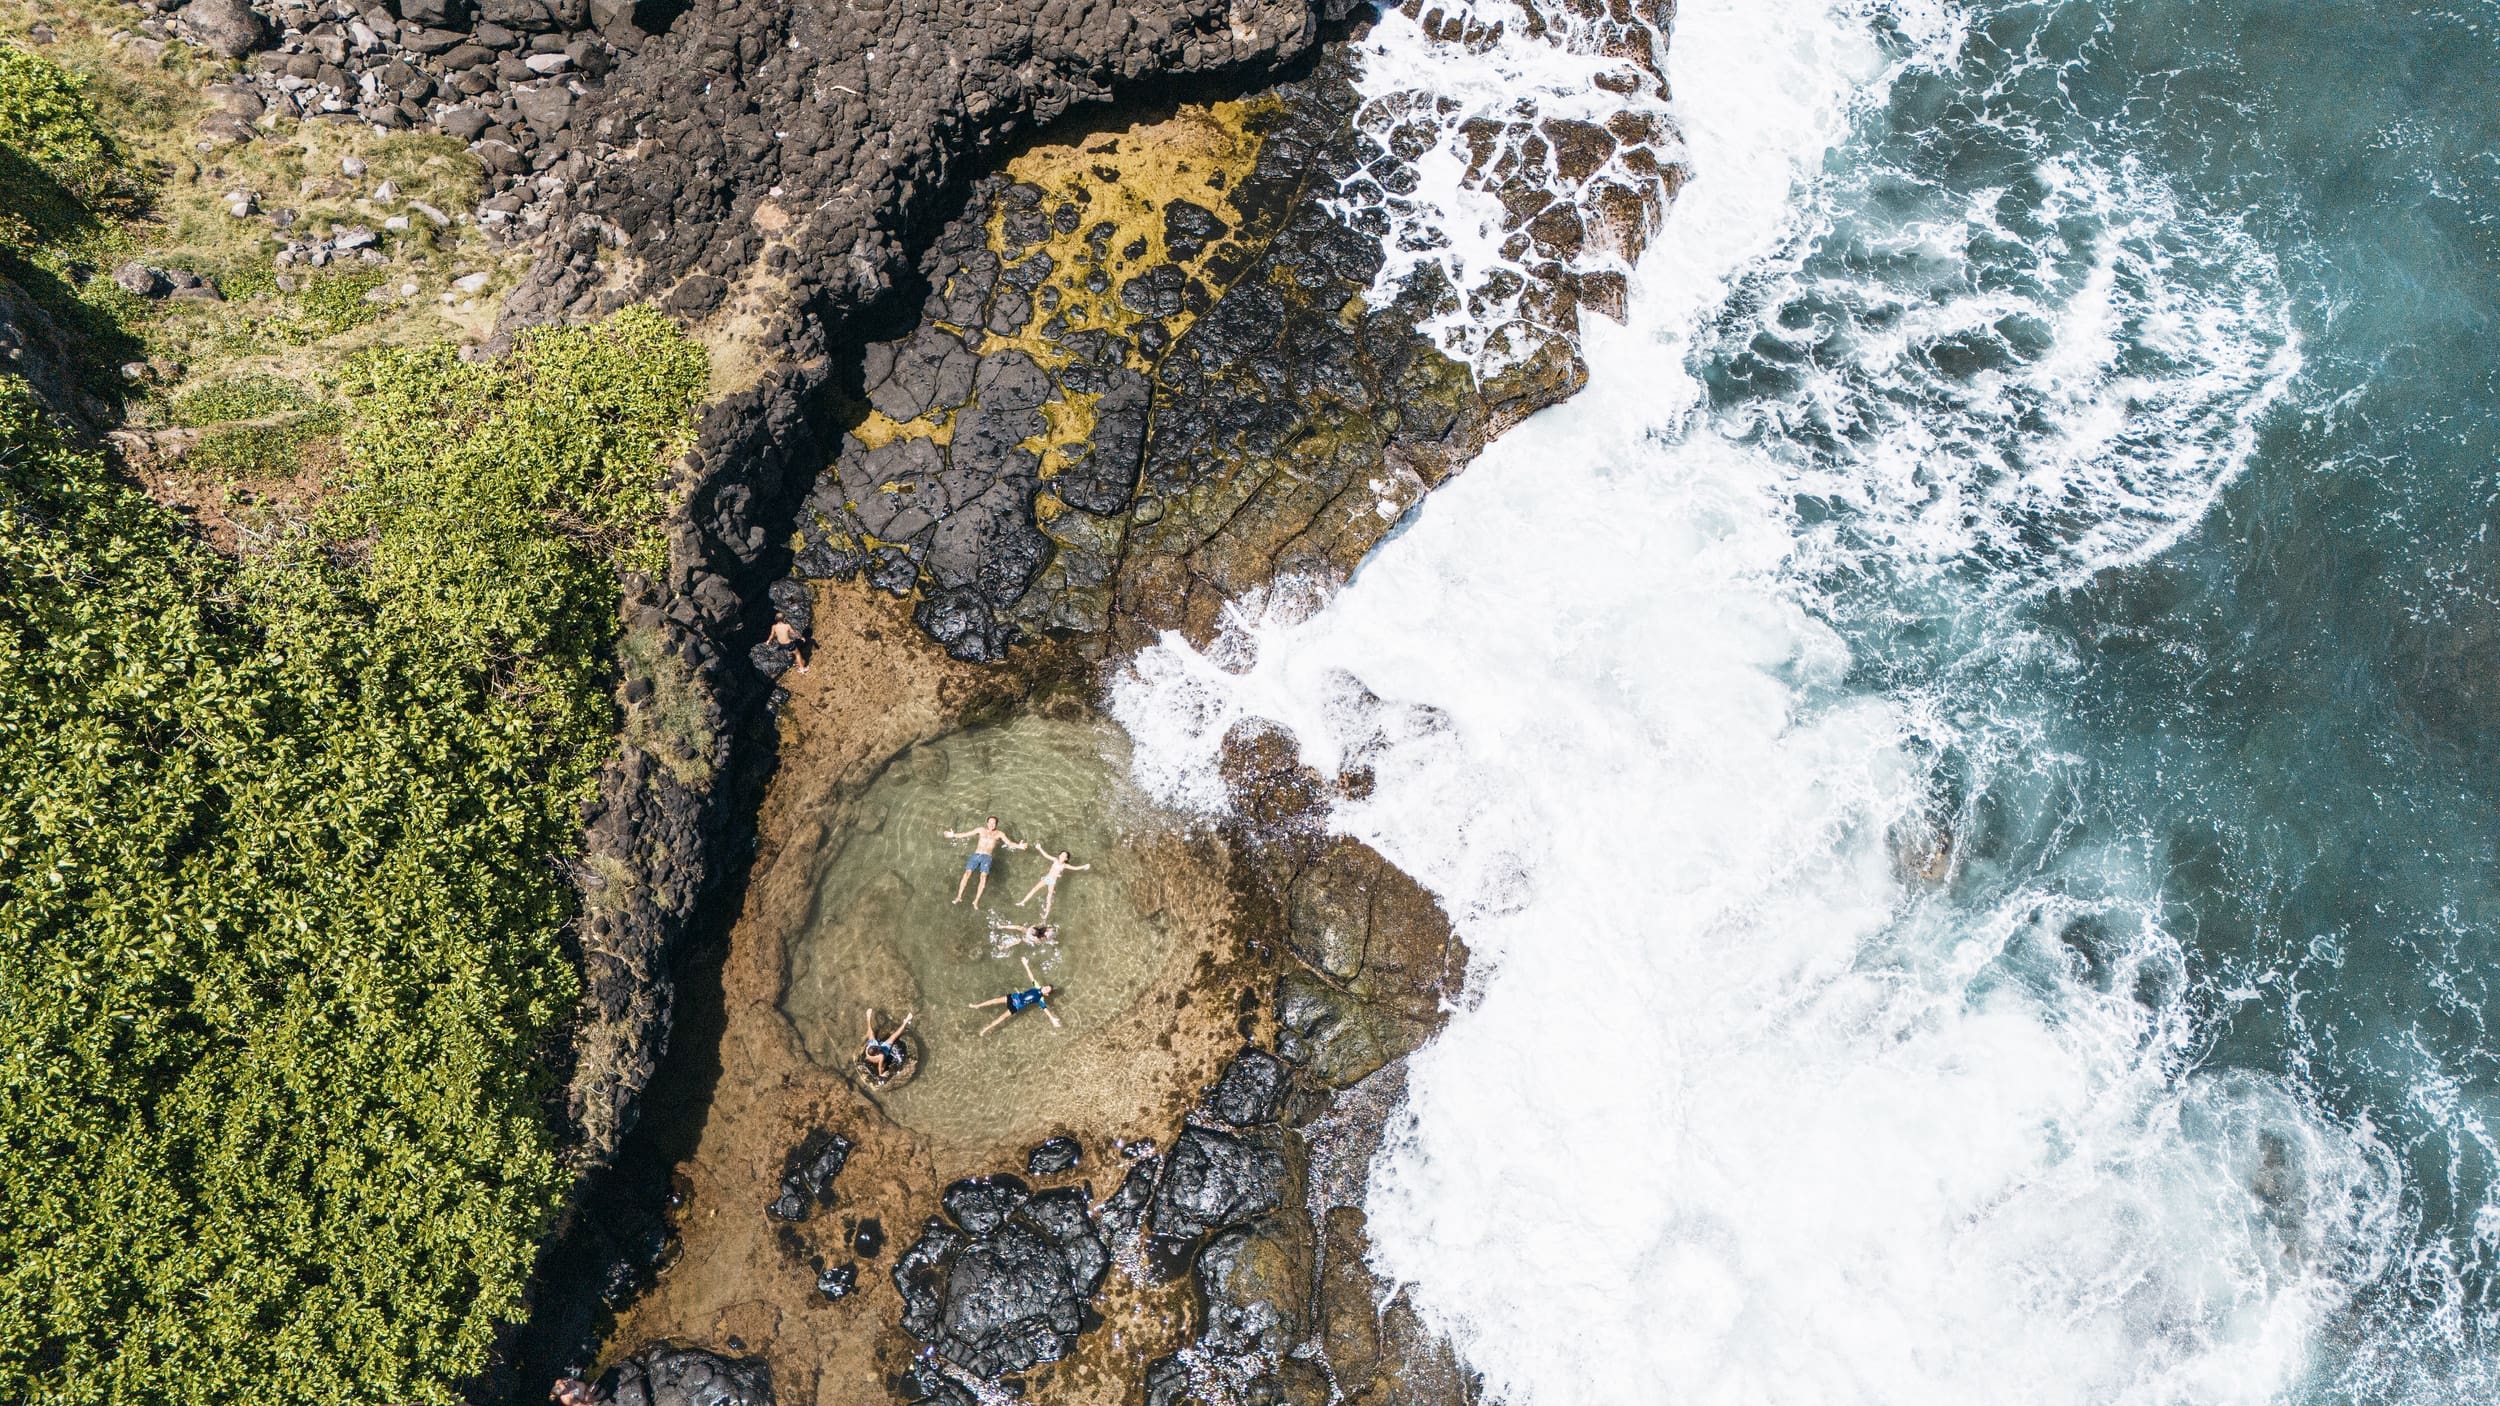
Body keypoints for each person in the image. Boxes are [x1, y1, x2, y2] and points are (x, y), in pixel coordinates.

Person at [944, 815, 1026, 905]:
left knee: (983, 877)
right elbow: (965, 834)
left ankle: (976, 901)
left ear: (996, 824)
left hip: (987, 857)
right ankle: (959, 896)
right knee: (967, 874)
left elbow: (1009, 843)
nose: (991, 824)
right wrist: (953, 835)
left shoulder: (999, 834)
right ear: (987, 823)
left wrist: (1019, 846)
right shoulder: (980, 830)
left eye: (993, 823)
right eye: (990, 822)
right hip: (976, 855)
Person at [972, 956, 1060, 1035]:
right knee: (995, 1000)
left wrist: (1052, 1019)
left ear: (1047, 994)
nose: (1045, 988)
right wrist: (1025, 964)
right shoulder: (1037, 986)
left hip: (1016, 1006)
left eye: (1047, 990)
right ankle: (977, 1006)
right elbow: (1031, 976)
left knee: (1001, 1017)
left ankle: (985, 1029)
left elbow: (1046, 1010)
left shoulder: (1041, 999)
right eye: (1046, 987)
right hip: (1014, 997)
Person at [1016, 844, 1090, 921]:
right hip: (1047, 878)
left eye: (1064, 856)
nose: (1062, 856)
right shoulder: (1055, 860)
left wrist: (1084, 866)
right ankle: (1023, 902)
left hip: (1052, 882)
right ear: (1059, 855)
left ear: (1066, 858)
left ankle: (1046, 914)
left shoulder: (1065, 865)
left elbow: (1075, 868)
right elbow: (1046, 855)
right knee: (1034, 889)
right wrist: (1040, 848)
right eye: (1061, 855)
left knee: (1049, 897)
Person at [862, 1007, 914, 1079]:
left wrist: (875, 1045)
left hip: (872, 1050)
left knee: (870, 1033)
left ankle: (868, 1017)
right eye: (879, 1049)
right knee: (893, 1037)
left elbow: (872, 1045)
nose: (879, 1046)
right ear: (877, 1053)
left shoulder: (869, 1049)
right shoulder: (881, 1056)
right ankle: (905, 1022)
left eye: (877, 1047)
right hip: (881, 1055)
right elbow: (879, 1068)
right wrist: (881, 1074)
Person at [990, 918, 1058, 950]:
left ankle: (1004, 947)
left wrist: (1028, 939)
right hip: (1032, 934)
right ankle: (1003, 927)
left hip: (1030, 938)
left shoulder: (1037, 938)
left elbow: (1039, 942)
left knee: (1019, 940)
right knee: (1018, 928)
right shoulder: (1039, 928)